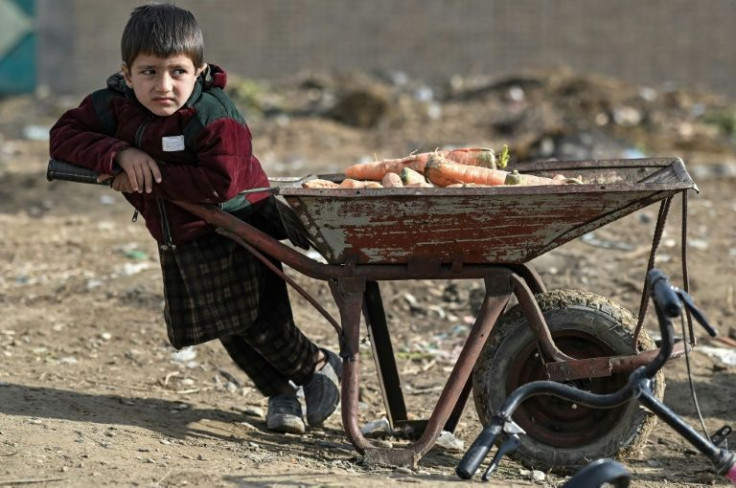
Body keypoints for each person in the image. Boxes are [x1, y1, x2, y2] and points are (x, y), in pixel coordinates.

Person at [49, 3, 341, 435]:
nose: (163, 86)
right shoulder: (113, 107)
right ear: (126, 75)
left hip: (240, 226)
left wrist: (148, 177)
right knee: (222, 326)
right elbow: (63, 135)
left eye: (177, 72)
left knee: (259, 321)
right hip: (181, 235)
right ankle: (280, 393)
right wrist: (119, 156)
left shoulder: (214, 117)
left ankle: (317, 363)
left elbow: (219, 183)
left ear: (199, 71)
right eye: (148, 72)